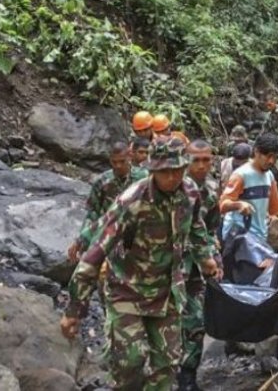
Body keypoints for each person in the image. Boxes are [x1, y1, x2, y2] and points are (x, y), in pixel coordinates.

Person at [60, 138, 220, 391]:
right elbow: (95, 254)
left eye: (176, 170)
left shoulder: (189, 192)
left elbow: (197, 228)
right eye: (164, 171)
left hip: (167, 291)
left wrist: (206, 258)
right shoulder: (131, 202)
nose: (171, 177)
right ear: (152, 170)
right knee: (129, 361)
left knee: (167, 363)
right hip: (127, 290)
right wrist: (75, 309)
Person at [179, 140, 222, 391]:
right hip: (164, 271)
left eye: (206, 160)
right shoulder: (172, 187)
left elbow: (212, 229)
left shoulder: (212, 189)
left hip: (195, 271)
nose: (201, 165)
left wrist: (215, 259)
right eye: (196, 160)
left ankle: (187, 378)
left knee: (195, 323)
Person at [67, 142, 148, 264]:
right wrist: (83, 239)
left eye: (122, 161)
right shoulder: (103, 181)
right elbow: (92, 213)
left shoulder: (143, 178)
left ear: (129, 157)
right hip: (108, 232)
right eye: (114, 162)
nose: (118, 166)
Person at [219, 133, 278, 247]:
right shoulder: (241, 175)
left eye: (275, 157)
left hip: (260, 239)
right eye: (268, 156)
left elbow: (275, 210)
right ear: (257, 152)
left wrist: (274, 219)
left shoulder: (269, 176)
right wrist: (238, 205)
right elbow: (223, 205)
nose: (271, 161)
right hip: (239, 238)